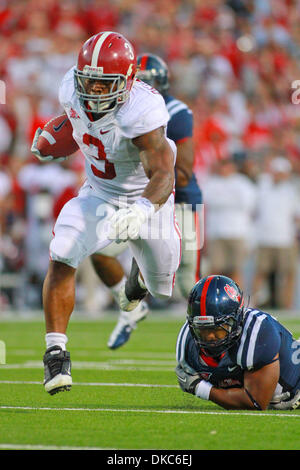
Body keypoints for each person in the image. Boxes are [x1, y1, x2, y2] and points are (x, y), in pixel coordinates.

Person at [31, 31, 181, 395]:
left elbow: (163, 173)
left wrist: (144, 208)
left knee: (162, 288)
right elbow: (77, 122)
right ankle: (55, 353)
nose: (94, 92)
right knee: (63, 249)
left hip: (148, 199)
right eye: (89, 82)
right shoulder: (71, 87)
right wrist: (56, 136)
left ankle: (137, 278)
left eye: (104, 85)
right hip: (99, 194)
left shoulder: (143, 110)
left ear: (127, 81)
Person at [91, 53, 203, 350]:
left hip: (181, 202)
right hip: (134, 198)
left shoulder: (176, 112)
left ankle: (214, 343)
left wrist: (149, 172)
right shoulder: (119, 110)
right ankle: (131, 308)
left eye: (144, 84)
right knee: (100, 251)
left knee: (187, 283)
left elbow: (182, 173)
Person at [175, 274, 300, 410]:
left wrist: (200, 388)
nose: (210, 337)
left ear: (236, 320)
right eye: (203, 330)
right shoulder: (187, 343)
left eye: (218, 329)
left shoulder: (257, 331)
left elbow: (256, 401)